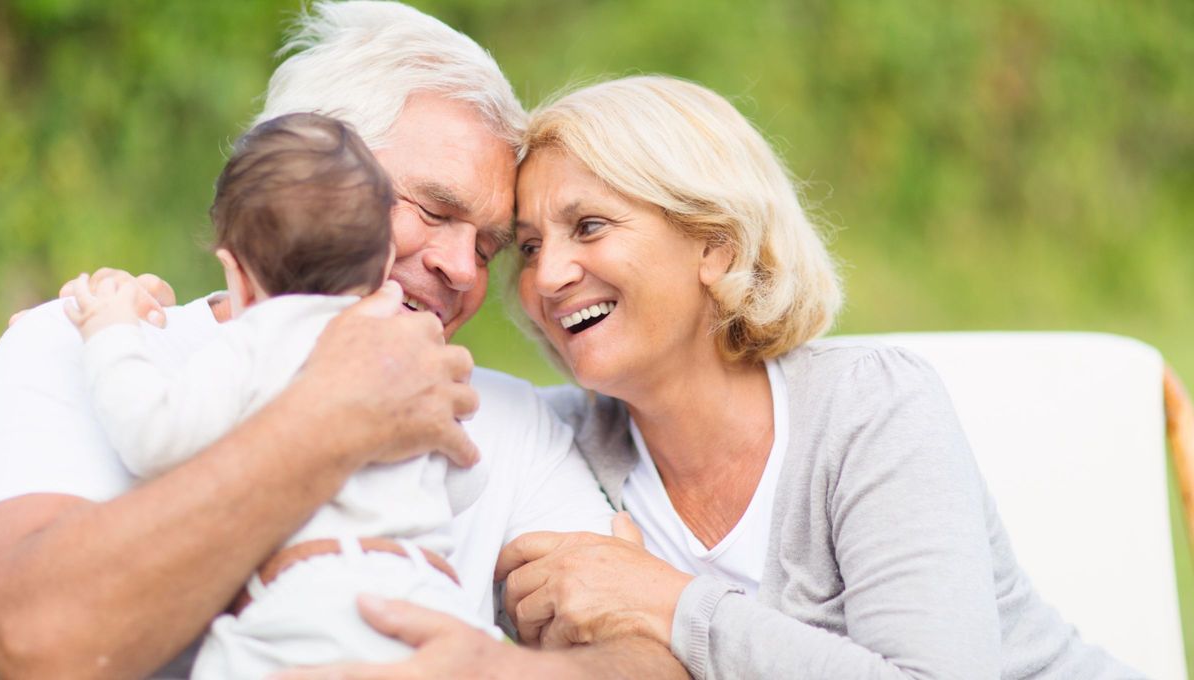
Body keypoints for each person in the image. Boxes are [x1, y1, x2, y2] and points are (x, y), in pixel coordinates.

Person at [0, 4, 686, 679]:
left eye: (489, 245)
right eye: (433, 211)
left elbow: (653, 658)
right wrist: (336, 416)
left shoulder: (507, 421)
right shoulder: (85, 346)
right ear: (305, 176)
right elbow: (32, 647)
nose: (463, 269)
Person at [488, 76, 1142, 679]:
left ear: (715, 245)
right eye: (531, 247)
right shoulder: (552, 444)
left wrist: (669, 603)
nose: (546, 278)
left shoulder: (869, 406)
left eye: (590, 226)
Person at [64, 111, 503, 677]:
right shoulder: (406, 349)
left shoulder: (257, 337)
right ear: (384, 264)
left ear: (237, 276)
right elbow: (466, 481)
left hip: (310, 607)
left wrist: (110, 331)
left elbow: (153, 436)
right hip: (432, 602)